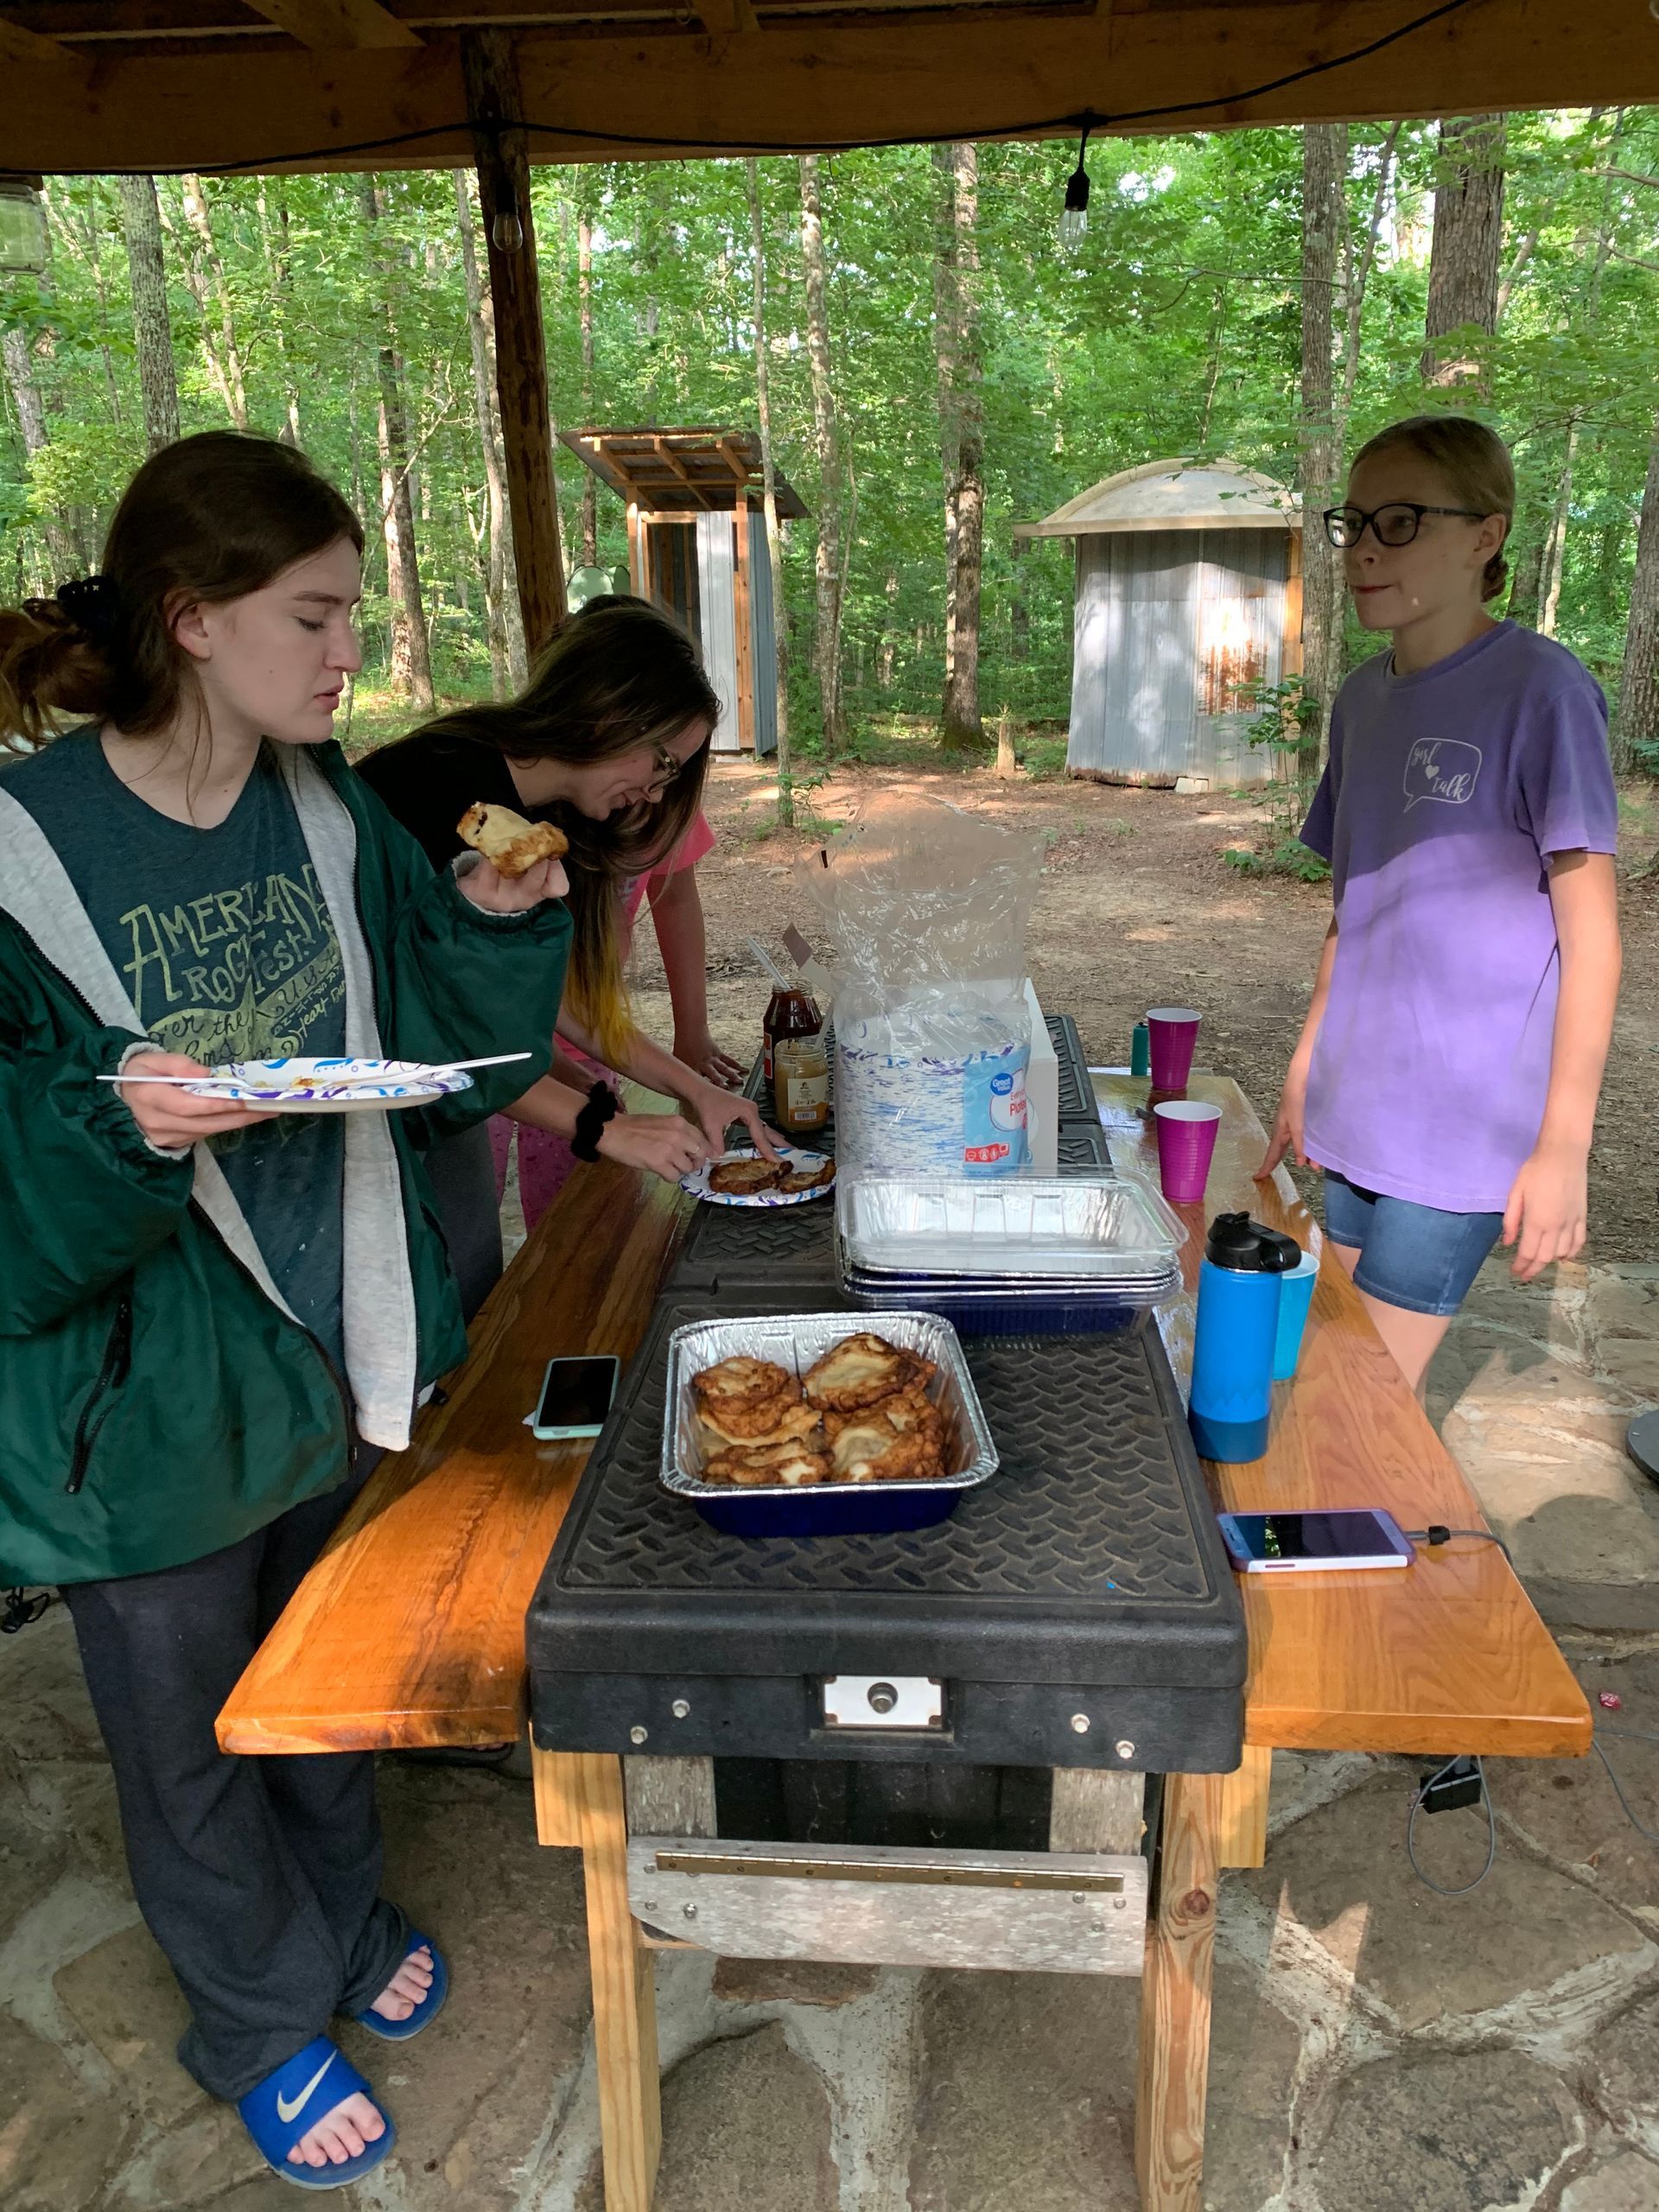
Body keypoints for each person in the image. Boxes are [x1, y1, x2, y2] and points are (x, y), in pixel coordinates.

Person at [0, 430, 574, 2188]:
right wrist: (113, 1115)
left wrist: (484, 913)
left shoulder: (325, 808)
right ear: (191, 618)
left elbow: (434, 1049)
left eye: (352, 618)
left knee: (323, 1683)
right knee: (186, 1744)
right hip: (141, 1394)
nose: (351, 658)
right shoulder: (21, 851)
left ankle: (333, 1924)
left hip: (336, 1326)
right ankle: (256, 2014)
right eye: (316, 616)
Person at [1258, 414, 1622, 1395]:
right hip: (1356, 1106)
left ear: (1485, 535)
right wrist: (1305, 1063)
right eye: (1358, 521)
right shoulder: (1361, 699)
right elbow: (1354, 904)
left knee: (1357, 1400)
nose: (1367, 548)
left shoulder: (1544, 692)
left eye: (1405, 520)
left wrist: (1562, 1148)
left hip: (1462, 1127)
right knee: (1321, 1371)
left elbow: (1594, 942)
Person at [357, 596, 772, 1252]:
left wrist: (691, 1086)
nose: (660, 793)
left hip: (442, 1117)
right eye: (664, 763)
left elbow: (556, 1004)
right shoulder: (438, 789)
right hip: (373, 1126)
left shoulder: (551, 812)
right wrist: (598, 1127)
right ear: (611, 713)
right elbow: (451, 1038)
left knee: (469, 1283)